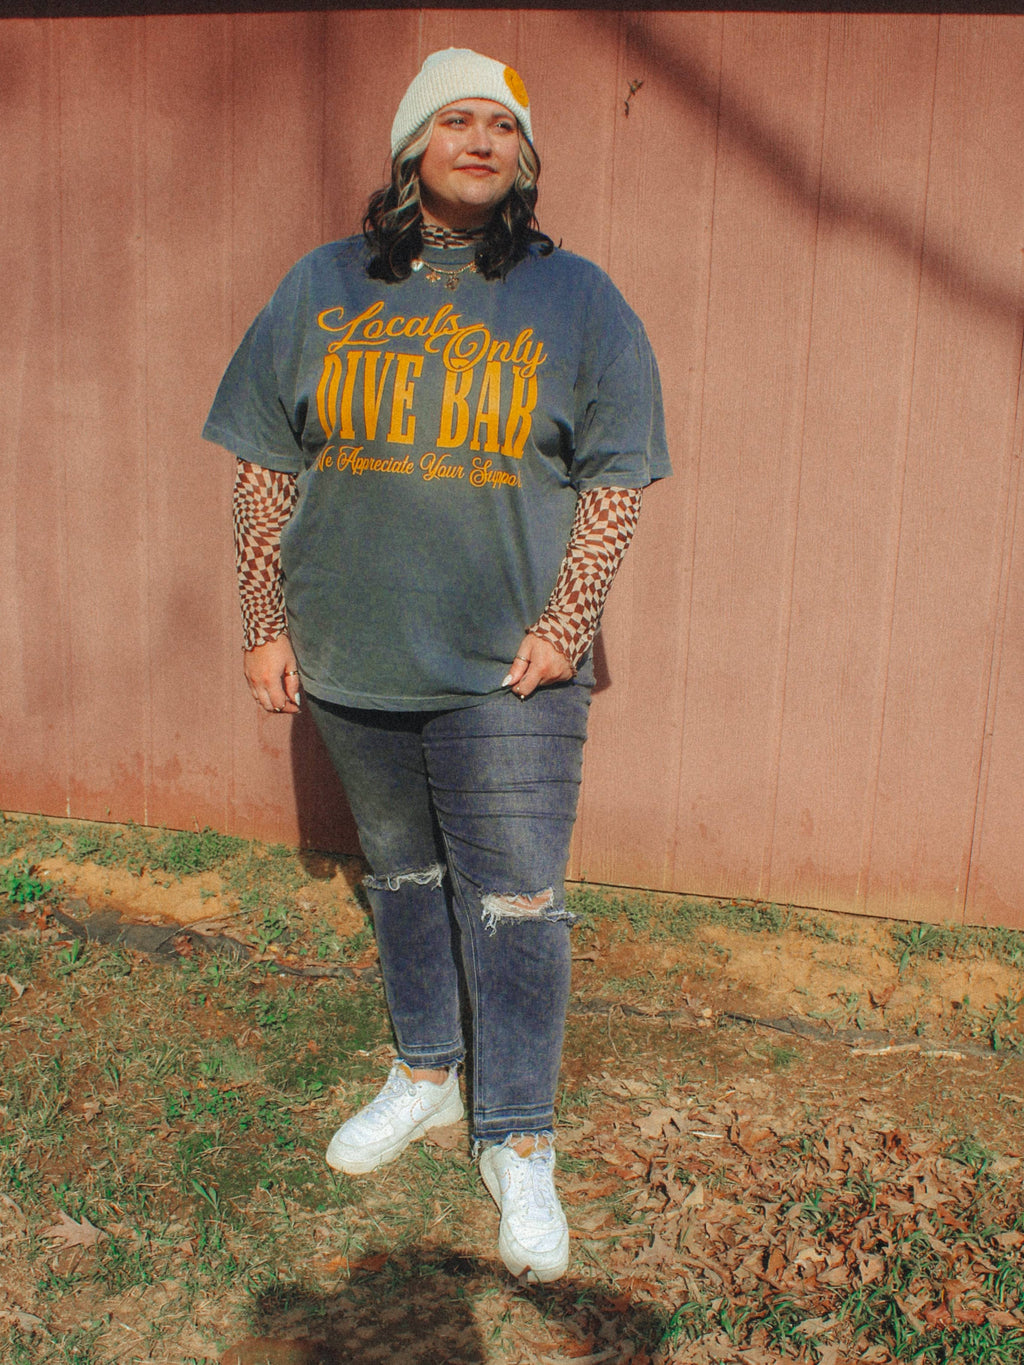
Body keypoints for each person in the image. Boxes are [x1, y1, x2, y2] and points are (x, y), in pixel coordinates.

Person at [203, 47, 670, 1283]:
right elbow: (263, 466)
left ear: (524, 158)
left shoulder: (576, 299)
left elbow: (616, 481)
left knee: (515, 903)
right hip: (349, 647)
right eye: (457, 120)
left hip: (507, 667)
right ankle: (426, 1074)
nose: (481, 141)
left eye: (502, 127)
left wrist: (565, 626)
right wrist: (262, 621)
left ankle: (517, 1136)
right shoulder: (321, 285)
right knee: (403, 878)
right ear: (414, 145)